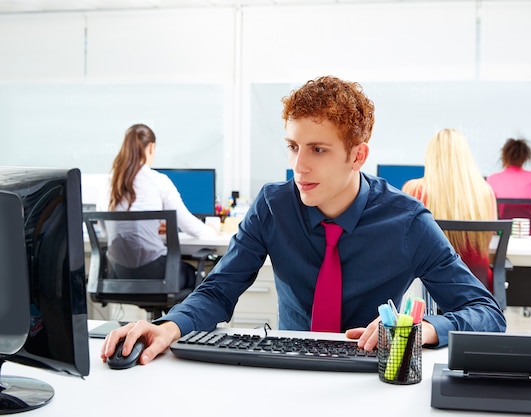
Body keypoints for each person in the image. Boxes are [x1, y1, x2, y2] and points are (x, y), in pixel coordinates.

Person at [101, 76, 506, 366]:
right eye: (293, 147)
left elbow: (486, 313)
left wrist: (422, 331)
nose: (299, 165)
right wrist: (170, 326)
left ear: (357, 156)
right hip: (287, 365)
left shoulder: (406, 220)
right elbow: (220, 290)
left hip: (370, 374)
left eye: (317, 149)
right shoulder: (273, 205)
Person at [101, 123, 218, 290]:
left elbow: (106, 229)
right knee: (196, 275)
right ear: (151, 148)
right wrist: (212, 230)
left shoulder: (108, 183)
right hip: (156, 273)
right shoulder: (157, 181)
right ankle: (171, 317)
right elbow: (188, 225)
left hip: (119, 273)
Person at [402, 128, 497, 292]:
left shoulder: (415, 190)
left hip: (429, 288)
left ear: (431, 156)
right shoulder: (485, 191)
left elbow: (403, 240)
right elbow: (491, 236)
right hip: (476, 284)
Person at [486, 138, 531, 233]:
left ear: (504, 156)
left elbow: (487, 210)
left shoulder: (492, 179)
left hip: (503, 232)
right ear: (525, 158)